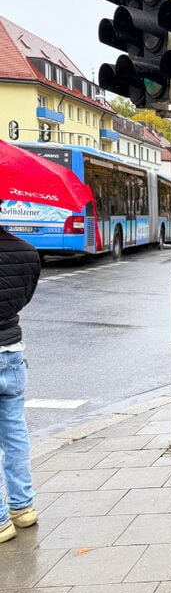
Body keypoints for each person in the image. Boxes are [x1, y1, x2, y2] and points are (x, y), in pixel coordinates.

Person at [0, 220, 41, 543]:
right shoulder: (26, 252)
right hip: (11, 352)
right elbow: (22, 298)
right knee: (15, 432)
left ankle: (1, 522)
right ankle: (23, 508)